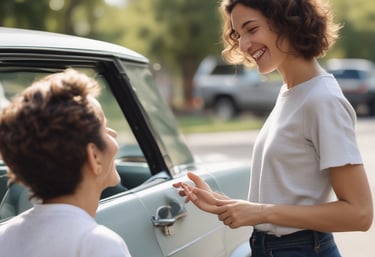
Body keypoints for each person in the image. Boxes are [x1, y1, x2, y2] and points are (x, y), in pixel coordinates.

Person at [174, 0, 373, 256]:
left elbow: (359, 213)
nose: (244, 45)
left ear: (287, 21)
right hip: (267, 247)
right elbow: (290, 194)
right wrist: (227, 204)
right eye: (238, 35)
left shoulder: (323, 100)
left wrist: (259, 212)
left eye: (251, 29)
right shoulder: (291, 93)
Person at [0, 69, 132, 257]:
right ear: (94, 157)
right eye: (104, 127)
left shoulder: (5, 237)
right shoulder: (97, 244)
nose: (114, 134)